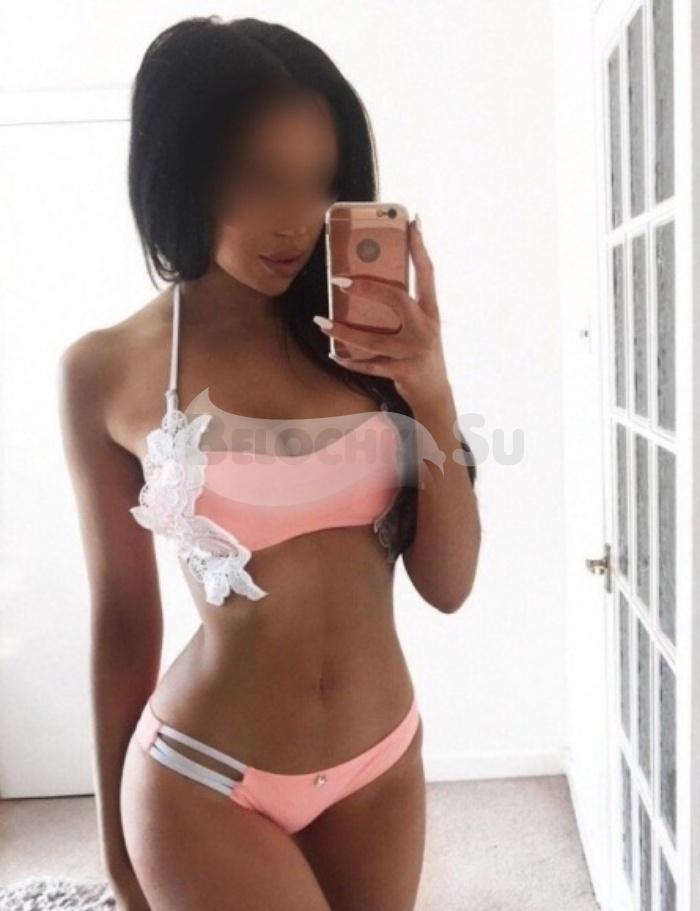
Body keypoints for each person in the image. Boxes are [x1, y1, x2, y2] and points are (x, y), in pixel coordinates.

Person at [58, 15, 480, 911]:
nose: (297, 220)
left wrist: (433, 393)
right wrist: (116, 850)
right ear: (183, 171)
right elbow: (123, 622)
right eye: (259, 178)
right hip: (205, 780)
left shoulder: (367, 343)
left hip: (381, 762)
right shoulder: (105, 370)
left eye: (321, 181)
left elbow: (448, 585)